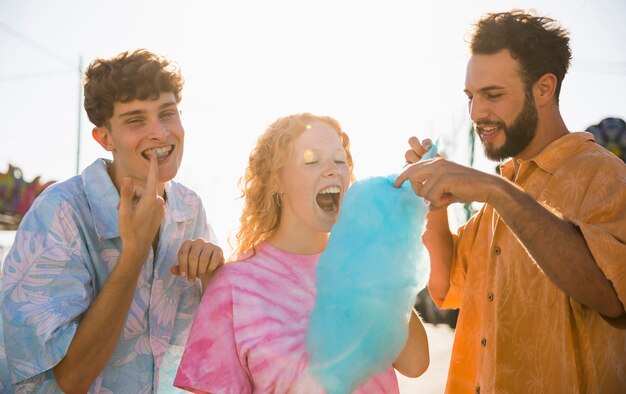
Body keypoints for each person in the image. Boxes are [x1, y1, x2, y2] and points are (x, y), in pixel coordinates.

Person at [395, 10, 626, 393]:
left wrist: (498, 193)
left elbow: (613, 296)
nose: (476, 113)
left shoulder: (607, 178)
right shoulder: (505, 187)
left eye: (493, 95)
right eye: (470, 96)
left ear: (544, 89)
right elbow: (442, 287)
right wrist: (433, 204)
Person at [0, 49, 224, 393]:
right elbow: (70, 380)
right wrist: (133, 253)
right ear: (105, 138)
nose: (160, 133)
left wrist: (213, 279)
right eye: (136, 120)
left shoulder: (190, 208)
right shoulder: (60, 213)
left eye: (167, 113)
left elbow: (207, 347)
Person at [174, 113, 429, 393]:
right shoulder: (232, 286)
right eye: (311, 160)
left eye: (340, 160)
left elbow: (415, 363)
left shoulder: (363, 267)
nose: (332, 169)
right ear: (276, 182)